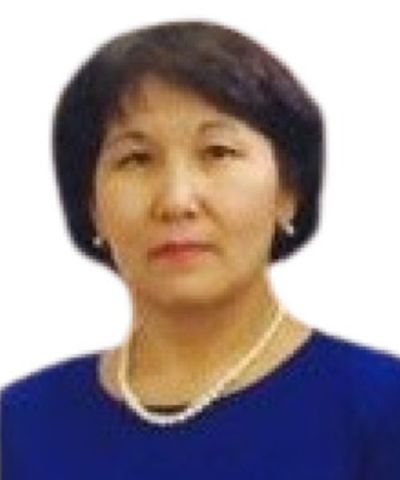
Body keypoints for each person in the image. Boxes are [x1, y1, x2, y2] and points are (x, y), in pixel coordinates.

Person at [1, 19, 400, 479]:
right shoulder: (20, 427)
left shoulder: (381, 409)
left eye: (218, 152)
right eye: (136, 159)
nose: (176, 201)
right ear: (92, 208)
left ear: (288, 189)